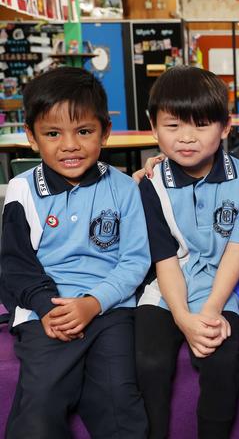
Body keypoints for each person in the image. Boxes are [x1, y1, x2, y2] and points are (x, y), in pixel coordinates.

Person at [0, 67, 150, 438]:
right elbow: (15, 264)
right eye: (53, 134)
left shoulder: (123, 189)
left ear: (105, 133)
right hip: (46, 310)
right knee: (43, 396)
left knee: (119, 399)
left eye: (84, 132)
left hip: (110, 308)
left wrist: (93, 303)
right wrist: (48, 307)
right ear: (32, 138)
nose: (69, 145)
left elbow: (135, 260)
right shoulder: (21, 190)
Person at [134, 66, 239, 439]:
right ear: (153, 128)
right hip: (164, 293)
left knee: (223, 366)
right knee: (148, 362)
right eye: (173, 126)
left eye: (202, 125)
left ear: (225, 127)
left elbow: (236, 251)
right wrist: (182, 318)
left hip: (219, 292)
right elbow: (164, 260)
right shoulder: (151, 184)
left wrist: (209, 310)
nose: (186, 138)